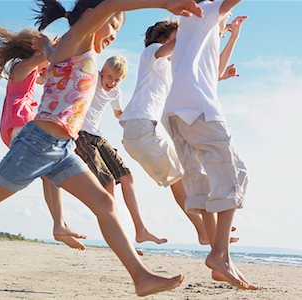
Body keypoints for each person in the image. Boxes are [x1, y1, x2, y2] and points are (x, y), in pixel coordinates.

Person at [0, 0, 203, 296]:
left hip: (62, 148)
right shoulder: (79, 39)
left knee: (105, 205)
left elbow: (53, 55)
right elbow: (111, 4)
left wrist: (48, 48)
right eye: (112, 27)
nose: (113, 35)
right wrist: (164, 3)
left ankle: (141, 277)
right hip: (38, 143)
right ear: (94, 17)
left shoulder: (70, 46)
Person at [162, 0, 257, 290]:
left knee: (201, 182)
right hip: (199, 110)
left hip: (177, 114)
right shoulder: (203, 9)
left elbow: (216, 70)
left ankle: (220, 258)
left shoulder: (193, 25)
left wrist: (233, 34)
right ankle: (220, 256)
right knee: (234, 175)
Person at [120, 19, 239, 246]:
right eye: (178, 36)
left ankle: (209, 224)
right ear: (164, 40)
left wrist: (228, 43)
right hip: (141, 128)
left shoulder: (170, 70)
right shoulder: (152, 53)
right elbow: (176, 46)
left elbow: (207, 75)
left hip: (147, 131)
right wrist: (196, 27)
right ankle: (205, 230)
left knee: (191, 174)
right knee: (180, 178)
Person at [0, 16, 86, 250]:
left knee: (50, 171)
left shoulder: (33, 72)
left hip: (18, 127)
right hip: (20, 124)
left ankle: (59, 224)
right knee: (49, 168)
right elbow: (40, 62)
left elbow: (47, 73)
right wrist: (49, 49)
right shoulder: (21, 68)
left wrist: (52, 54)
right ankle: (59, 223)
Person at [75, 55, 168, 247]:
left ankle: (140, 231)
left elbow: (118, 114)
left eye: (117, 79)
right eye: (109, 77)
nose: (111, 82)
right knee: (107, 181)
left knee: (127, 176)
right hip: (81, 135)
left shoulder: (115, 92)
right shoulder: (93, 79)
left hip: (97, 136)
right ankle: (118, 237)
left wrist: (137, 118)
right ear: (102, 72)